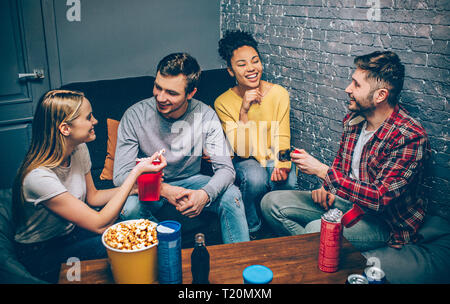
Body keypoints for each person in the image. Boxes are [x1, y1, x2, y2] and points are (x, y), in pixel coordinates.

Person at [262, 51, 430, 251]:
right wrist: (327, 188)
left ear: (380, 95)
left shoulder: (409, 137)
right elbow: (340, 167)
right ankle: (311, 249)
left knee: (318, 230)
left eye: (356, 84)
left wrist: (323, 172)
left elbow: (379, 198)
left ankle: (311, 250)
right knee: (270, 202)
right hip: (345, 203)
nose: (347, 89)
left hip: (383, 223)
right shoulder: (354, 121)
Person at [12, 90, 167, 283]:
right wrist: (136, 172)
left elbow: (92, 197)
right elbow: (98, 223)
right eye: (88, 117)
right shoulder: (38, 178)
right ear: (65, 129)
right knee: (124, 247)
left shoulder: (78, 148)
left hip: (71, 234)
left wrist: (135, 187)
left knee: (131, 231)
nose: (95, 121)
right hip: (43, 253)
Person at [113, 53, 250, 244]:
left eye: (171, 93)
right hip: (150, 185)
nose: (160, 97)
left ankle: (239, 262)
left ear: (191, 93)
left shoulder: (205, 115)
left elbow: (226, 170)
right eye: (158, 87)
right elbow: (120, 176)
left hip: (192, 180)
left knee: (232, 195)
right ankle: (171, 252)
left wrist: (204, 194)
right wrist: (164, 189)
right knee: (128, 209)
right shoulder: (135, 115)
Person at [214, 30, 297, 239]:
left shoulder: (279, 94)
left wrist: (283, 163)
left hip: (273, 154)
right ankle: (253, 229)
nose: (251, 68)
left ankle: (281, 231)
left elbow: (283, 133)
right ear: (231, 71)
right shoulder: (222, 102)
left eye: (255, 61)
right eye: (241, 65)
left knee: (288, 178)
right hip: (246, 159)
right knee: (255, 177)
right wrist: (243, 110)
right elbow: (242, 150)